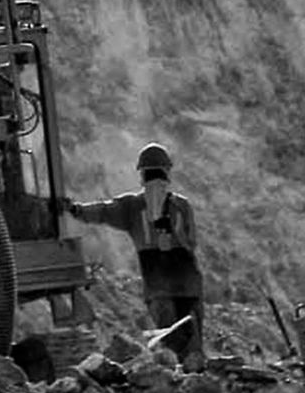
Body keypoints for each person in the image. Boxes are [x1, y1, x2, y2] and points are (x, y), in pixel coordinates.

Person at [64, 142, 205, 365]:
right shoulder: (171, 206)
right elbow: (191, 242)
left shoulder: (142, 207)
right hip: (179, 285)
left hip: (170, 287)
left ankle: (188, 382)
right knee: (186, 345)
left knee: (179, 344)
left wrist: (76, 210)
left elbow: (102, 211)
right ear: (167, 173)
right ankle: (193, 382)